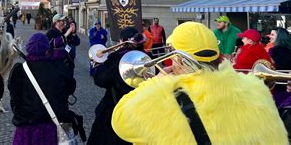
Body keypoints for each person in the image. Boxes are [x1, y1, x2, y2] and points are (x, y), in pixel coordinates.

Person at [111, 22, 288, 144]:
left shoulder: (166, 100)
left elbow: (120, 122)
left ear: (179, 60)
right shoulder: (256, 90)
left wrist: (155, 83)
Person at [8, 33, 76, 145]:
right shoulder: (58, 68)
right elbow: (70, 88)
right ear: (47, 49)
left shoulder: (19, 72)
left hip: (26, 130)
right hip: (52, 129)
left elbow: (15, 100)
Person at [88, 27, 145, 145]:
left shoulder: (117, 58)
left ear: (122, 41)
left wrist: (97, 65)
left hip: (116, 108)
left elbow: (101, 80)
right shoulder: (147, 56)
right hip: (141, 109)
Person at [268, 28, 291, 109]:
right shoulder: (289, 50)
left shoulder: (274, 51)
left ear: (280, 37)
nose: (269, 36)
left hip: (276, 89)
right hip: (286, 88)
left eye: (272, 34)